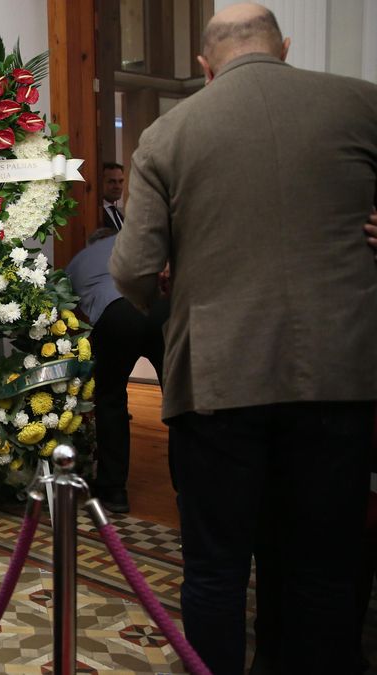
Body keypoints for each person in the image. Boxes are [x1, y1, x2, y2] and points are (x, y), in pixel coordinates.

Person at [109, 5, 377, 674]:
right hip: (339, 372)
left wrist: (169, 281)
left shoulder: (169, 132)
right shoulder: (362, 104)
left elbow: (133, 268)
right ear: (283, 47)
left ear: (204, 64)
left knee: (217, 569)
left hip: (219, 380)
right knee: (322, 567)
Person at [65, 228, 166, 514]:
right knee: (178, 398)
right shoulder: (132, 240)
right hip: (161, 309)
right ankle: (190, 487)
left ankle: (114, 490)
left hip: (116, 314)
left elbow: (65, 308)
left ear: (91, 243)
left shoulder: (80, 259)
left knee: (111, 400)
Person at [101, 162, 126, 231]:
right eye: (112, 182)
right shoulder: (95, 213)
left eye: (120, 181)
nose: (117, 186)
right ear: (100, 183)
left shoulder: (118, 214)